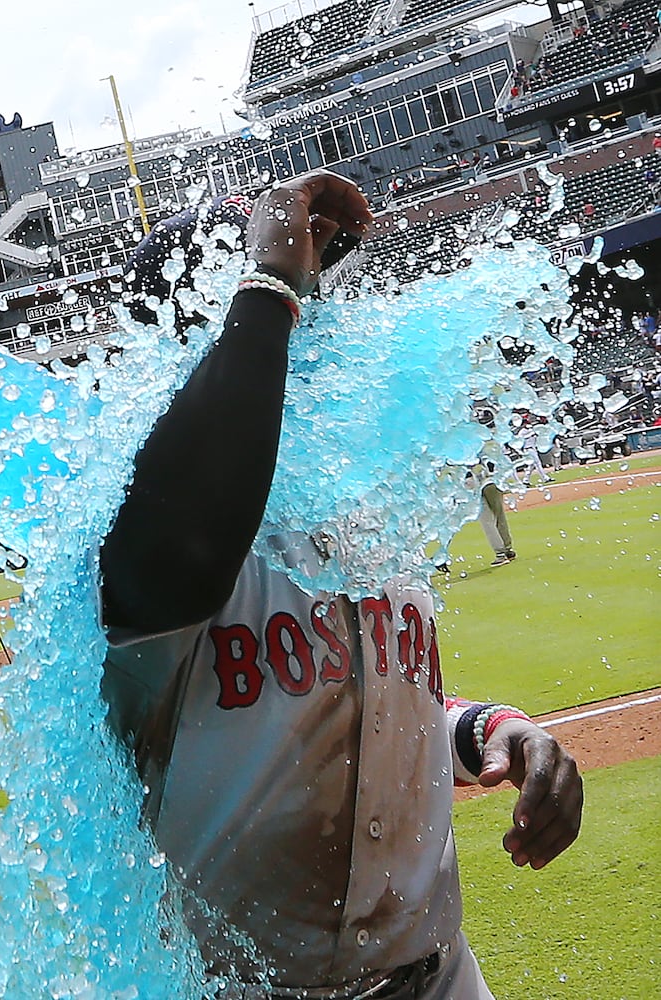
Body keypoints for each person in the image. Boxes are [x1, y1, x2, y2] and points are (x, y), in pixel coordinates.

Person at [95, 171, 582, 998]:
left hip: (440, 976)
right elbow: (187, 535)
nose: (313, 317)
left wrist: (486, 732)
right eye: (294, 299)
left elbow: (367, 703)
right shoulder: (139, 524)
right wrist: (269, 287)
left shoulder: (361, 513)